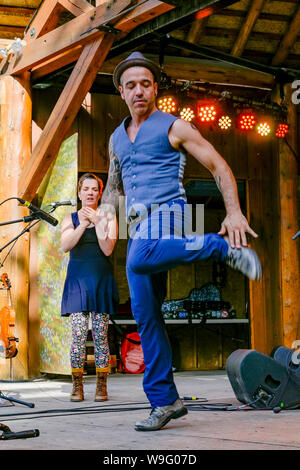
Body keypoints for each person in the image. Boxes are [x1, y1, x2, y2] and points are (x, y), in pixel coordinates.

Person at [101, 51, 262, 431]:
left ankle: (223, 246)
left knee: (139, 258)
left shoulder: (174, 126)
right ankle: (165, 401)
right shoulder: (115, 139)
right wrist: (106, 213)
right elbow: (112, 186)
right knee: (147, 316)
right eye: (131, 85)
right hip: (139, 227)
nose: (139, 90)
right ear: (121, 92)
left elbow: (219, 165)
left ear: (155, 88)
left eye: (145, 84)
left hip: (170, 215)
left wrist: (234, 214)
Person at [61, 173, 118, 402]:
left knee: (101, 335)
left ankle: (101, 385)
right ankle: (77, 385)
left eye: (94, 189)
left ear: (99, 192)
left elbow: (108, 249)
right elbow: (65, 245)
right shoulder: (70, 218)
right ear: (79, 192)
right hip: (77, 281)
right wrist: (83, 224)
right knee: (77, 335)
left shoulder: (108, 217)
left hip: (100, 280)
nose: (90, 193)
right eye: (86, 189)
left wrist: (97, 222)